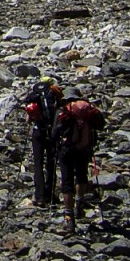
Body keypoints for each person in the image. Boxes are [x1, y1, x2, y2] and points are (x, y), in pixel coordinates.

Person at [55, 92, 105, 229]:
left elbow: (55, 132)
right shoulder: (88, 110)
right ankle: (80, 203)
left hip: (67, 150)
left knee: (67, 180)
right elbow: (100, 126)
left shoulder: (65, 110)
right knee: (82, 175)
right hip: (84, 149)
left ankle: (68, 217)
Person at [19, 80, 64, 208]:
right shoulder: (54, 94)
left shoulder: (35, 96)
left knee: (38, 164)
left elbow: (28, 119)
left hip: (38, 132)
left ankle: (39, 196)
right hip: (52, 132)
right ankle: (50, 194)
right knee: (51, 162)